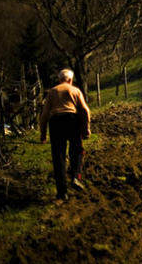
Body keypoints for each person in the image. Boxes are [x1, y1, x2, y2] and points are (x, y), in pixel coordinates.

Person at [39, 68, 90, 201]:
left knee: (58, 156)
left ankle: (62, 192)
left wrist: (43, 133)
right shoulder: (75, 90)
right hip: (72, 120)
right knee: (77, 150)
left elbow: (44, 115)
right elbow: (85, 110)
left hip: (56, 122)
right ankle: (75, 176)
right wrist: (86, 128)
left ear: (59, 79)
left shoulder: (52, 91)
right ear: (70, 80)